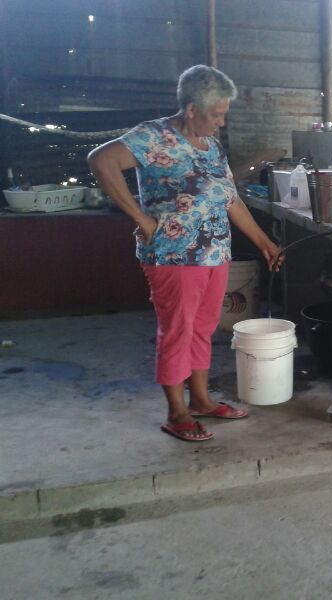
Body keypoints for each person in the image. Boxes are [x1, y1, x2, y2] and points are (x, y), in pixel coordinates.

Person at [88, 65, 283, 442]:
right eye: (216, 114)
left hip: (215, 254)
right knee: (177, 330)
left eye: (224, 114)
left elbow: (230, 199)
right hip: (174, 256)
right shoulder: (154, 136)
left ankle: (202, 401)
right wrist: (140, 218)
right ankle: (177, 413)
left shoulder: (212, 146)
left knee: (203, 329)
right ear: (192, 109)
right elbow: (101, 160)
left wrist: (263, 241)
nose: (221, 122)